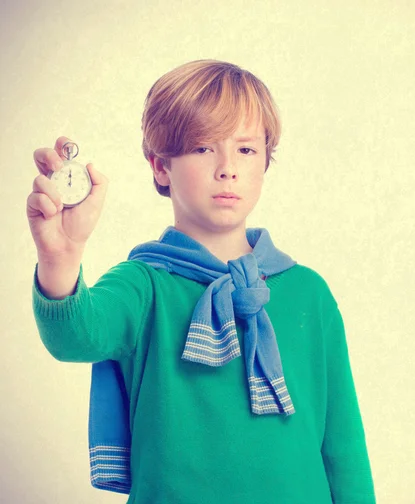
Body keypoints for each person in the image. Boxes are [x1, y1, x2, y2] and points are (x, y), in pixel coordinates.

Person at [27, 59, 376, 504]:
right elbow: (74, 336)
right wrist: (60, 257)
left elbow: (343, 444)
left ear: (265, 161)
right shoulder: (143, 286)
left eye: (246, 150)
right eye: (202, 148)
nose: (227, 167)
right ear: (160, 167)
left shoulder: (308, 291)